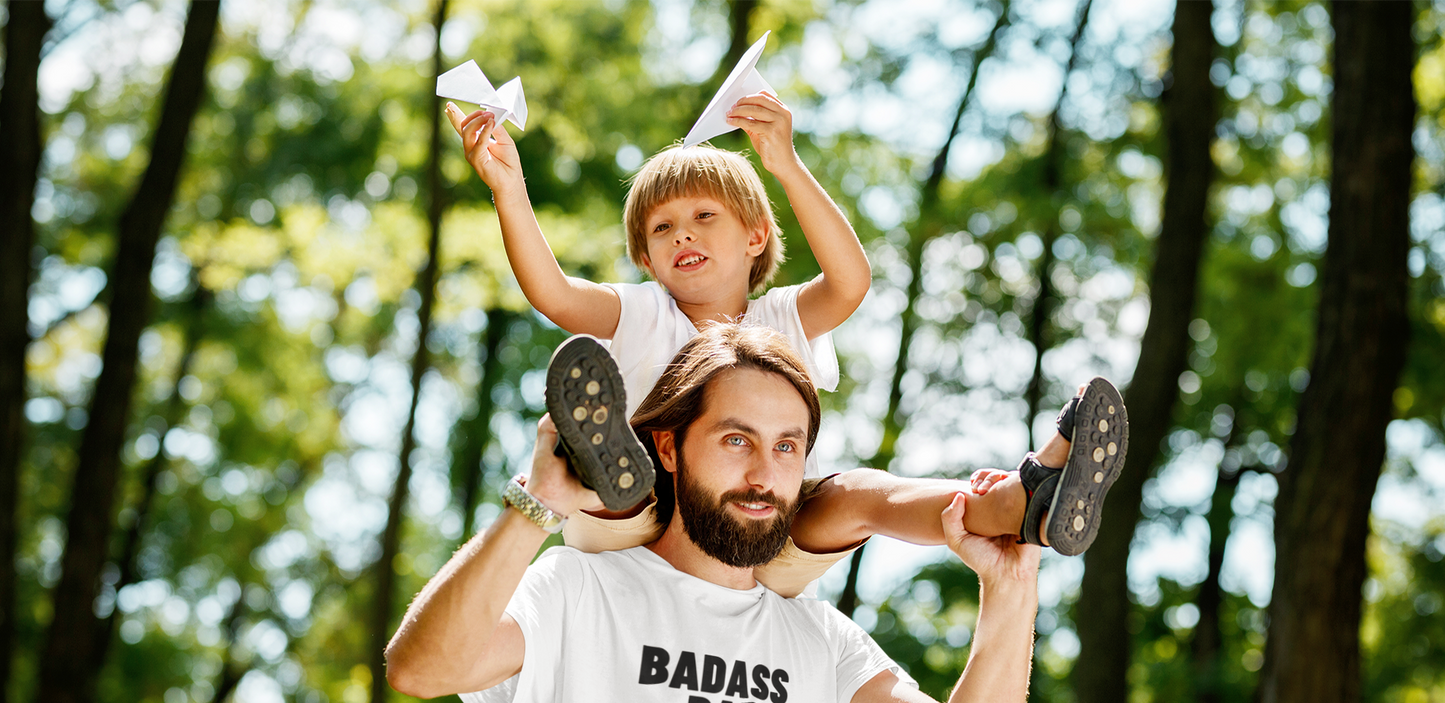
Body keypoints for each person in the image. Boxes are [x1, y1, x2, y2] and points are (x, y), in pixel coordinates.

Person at [386, 325, 1042, 703]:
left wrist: (1010, 591)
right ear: (668, 447)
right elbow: (422, 669)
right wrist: (537, 506)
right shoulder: (579, 592)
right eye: (736, 440)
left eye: (786, 446)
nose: (763, 473)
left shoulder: (819, 640)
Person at [443, 90, 1127, 593]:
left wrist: (786, 164)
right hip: (633, 530)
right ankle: (608, 468)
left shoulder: (781, 321)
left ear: (754, 237)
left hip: (755, 528)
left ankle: (1021, 501)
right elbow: (554, 294)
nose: (681, 233)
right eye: (661, 228)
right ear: (646, 261)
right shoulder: (639, 312)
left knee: (859, 494)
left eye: (703, 216)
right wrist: (509, 188)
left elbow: (850, 281)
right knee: (618, 482)